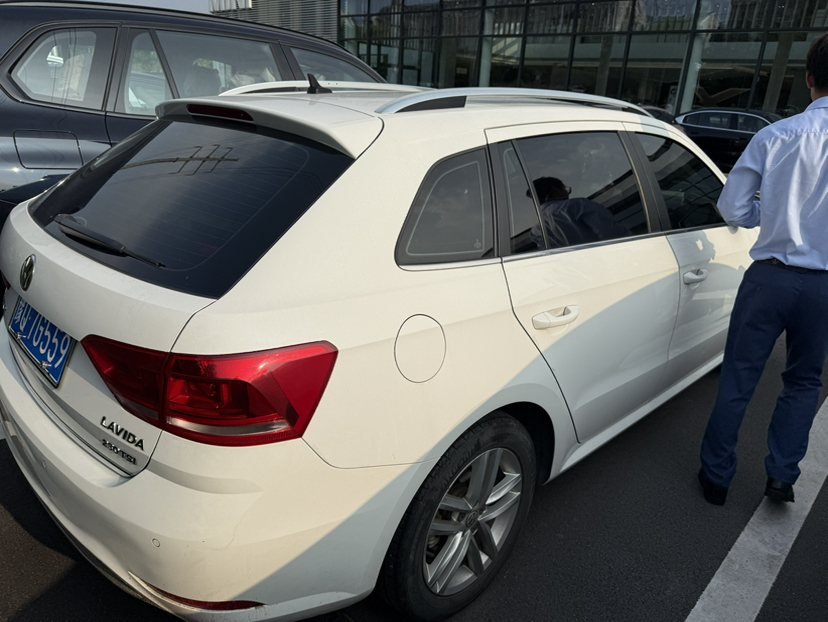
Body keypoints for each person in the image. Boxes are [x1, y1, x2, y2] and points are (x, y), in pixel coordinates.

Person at [698, 33, 828, 506]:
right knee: (804, 381)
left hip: (769, 277)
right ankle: (781, 477)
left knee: (739, 376)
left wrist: (767, 215)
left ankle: (716, 479)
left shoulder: (775, 135)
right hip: (823, 286)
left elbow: (732, 207)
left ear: (809, 79)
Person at [529, 176, 630, 249]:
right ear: (555, 190)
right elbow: (611, 233)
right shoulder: (578, 205)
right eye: (564, 188)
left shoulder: (536, 230)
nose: (567, 192)